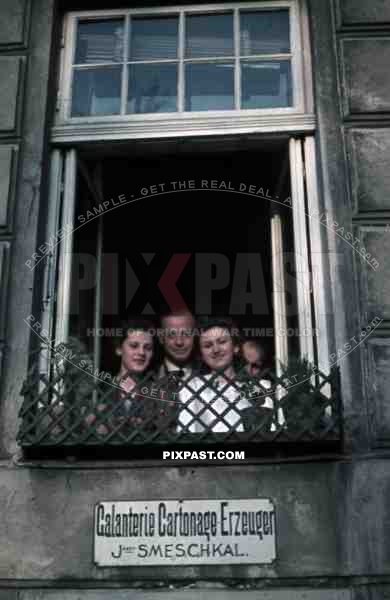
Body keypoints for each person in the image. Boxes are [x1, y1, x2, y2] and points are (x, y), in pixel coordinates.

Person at [177, 317, 274, 433]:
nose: (216, 349)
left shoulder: (262, 386)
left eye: (222, 342)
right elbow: (185, 435)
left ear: (236, 347)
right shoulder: (191, 386)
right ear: (201, 355)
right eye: (208, 345)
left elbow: (274, 432)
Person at [86, 318, 160, 434]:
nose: (141, 352)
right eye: (134, 345)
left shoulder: (158, 391)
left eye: (148, 348)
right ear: (119, 349)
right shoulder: (99, 389)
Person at [157, 309, 196, 381]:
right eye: (172, 334)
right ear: (161, 338)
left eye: (186, 334)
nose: (179, 342)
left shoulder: (209, 373)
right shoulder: (149, 377)